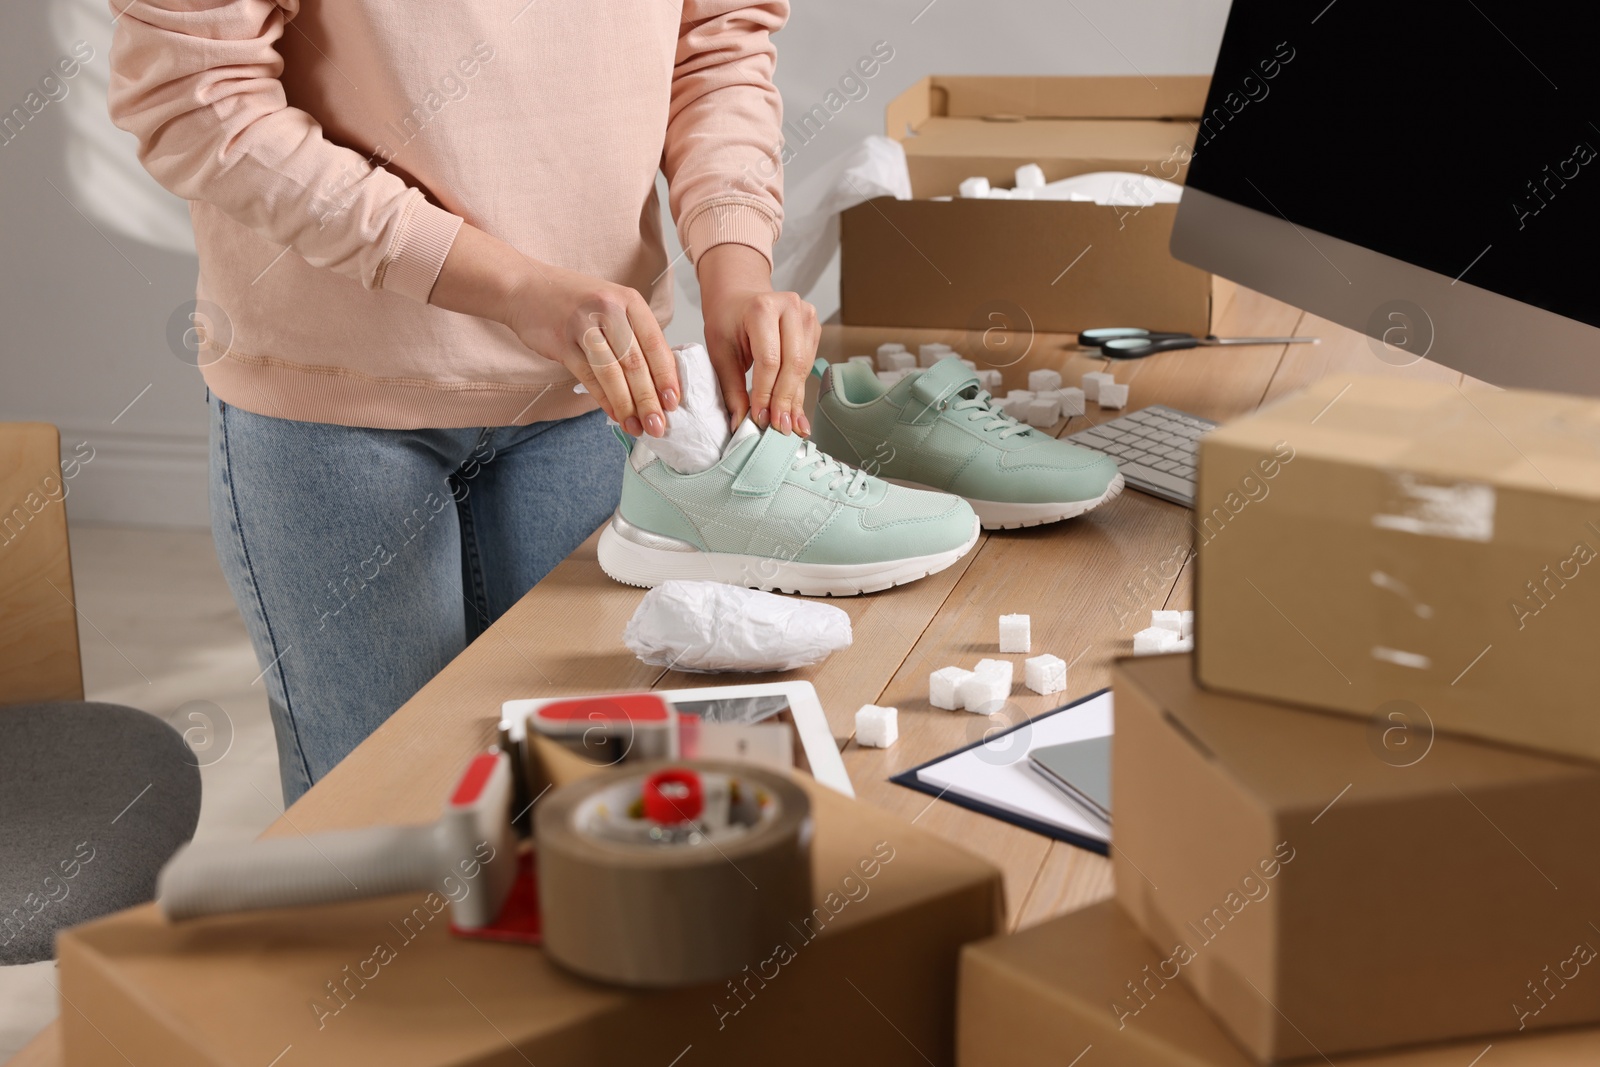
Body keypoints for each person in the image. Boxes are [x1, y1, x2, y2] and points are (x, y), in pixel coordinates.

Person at [108, 0, 817, 804]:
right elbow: (195, 99)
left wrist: (735, 268)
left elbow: (713, 46)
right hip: (338, 406)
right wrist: (512, 286)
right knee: (384, 833)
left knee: (585, 818)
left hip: (594, 393)